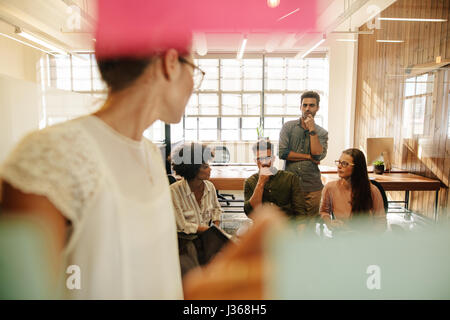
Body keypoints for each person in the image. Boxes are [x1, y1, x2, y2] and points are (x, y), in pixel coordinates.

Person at [0, 47, 203, 298]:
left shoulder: (150, 154)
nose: (195, 84)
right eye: (195, 70)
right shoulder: (51, 155)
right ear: (171, 62)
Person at [278, 90, 328, 219]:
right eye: (305, 105)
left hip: (312, 186)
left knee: (309, 227)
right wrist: (308, 157)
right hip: (290, 185)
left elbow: (317, 155)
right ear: (300, 107)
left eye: (311, 105)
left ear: (317, 108)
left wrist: (312, 129)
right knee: (289, 224)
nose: (307, 108)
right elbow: (283, 153)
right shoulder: (288, 127)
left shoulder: (321, 133)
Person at [320, 148, 387, 233]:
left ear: (357, 168)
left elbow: (381, 223)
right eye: (339, 162)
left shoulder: (373, 190)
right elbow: (324, 212)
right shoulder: (330, 188)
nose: (339, 166)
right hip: (341, 238)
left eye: (344, 164)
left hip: (365, 239)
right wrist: (330, 223)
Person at [244, 140, 306, 222]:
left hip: (287, 227)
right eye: (260, 159)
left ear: (273, 159)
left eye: (268, 158)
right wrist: (260, 183)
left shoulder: (290, 178)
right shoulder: (250, 182)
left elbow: (300, 212)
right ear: (255, 160)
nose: (264, 162)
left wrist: (300, 230)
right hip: (262, 228)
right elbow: (250, 213)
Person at [170, 143, 222, 234]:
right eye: (205, 167)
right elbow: (181, 225)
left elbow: (216, 209)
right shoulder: (174, 191)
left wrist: (216, 227)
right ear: (192, 169)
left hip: (207, 238)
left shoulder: (209, 186)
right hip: (185, 241)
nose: (210, 169)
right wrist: (209, 231)